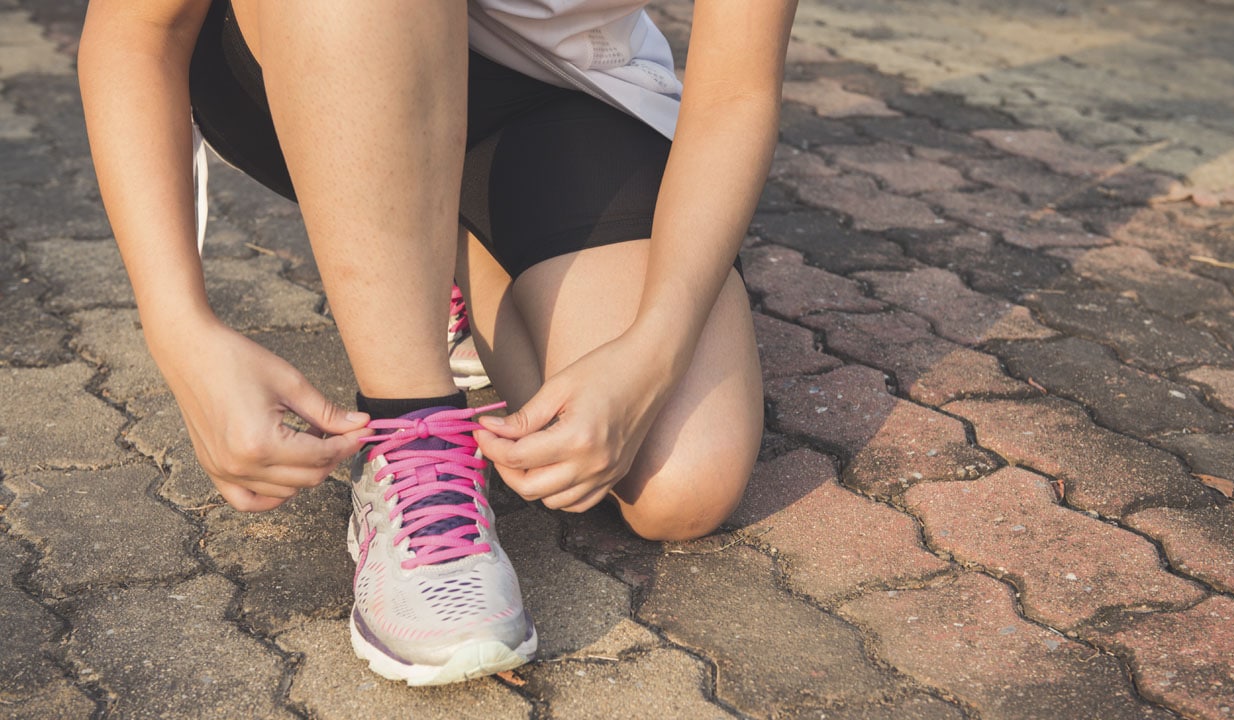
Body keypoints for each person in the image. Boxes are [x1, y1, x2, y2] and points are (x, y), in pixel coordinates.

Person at [79, 0, 796, 685]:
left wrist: (653, 351)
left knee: (681, 480)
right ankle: (411, 436)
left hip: (559, 85)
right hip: (313, 44)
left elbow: (736, 91)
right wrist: (179, 327)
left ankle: (425, 248)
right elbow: (137, 28)